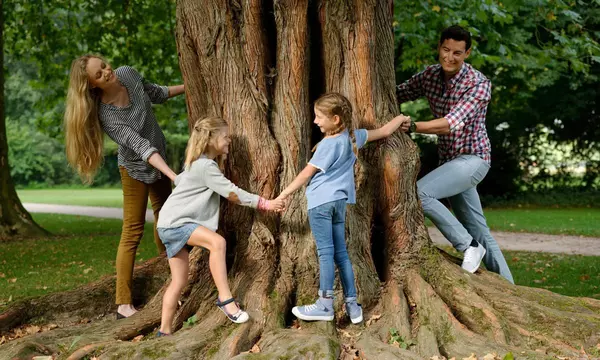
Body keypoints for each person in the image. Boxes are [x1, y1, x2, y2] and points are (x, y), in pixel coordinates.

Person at [64, 55, 186, 318]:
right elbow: (141, 146)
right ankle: (123, 304)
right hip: (134, 169)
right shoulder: (107, 115)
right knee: (132, 230)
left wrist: (188, 86)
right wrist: (173, 175)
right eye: (99, 74)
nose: (107, 72)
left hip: (159, 160)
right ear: (92, 85)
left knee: (167, 220)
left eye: (105, 66)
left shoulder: (128, 74)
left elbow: (156, 92)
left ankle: (174, 282)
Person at [276, 93, 410, 324]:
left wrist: (283, 194)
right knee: (341, 254)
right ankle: (352, 305)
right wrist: (401, 118)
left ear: (336, 119)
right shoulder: (352, 137)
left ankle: (324, 305)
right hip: (339, 204)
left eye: (319, 117)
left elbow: (306, 174)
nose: (316, 121)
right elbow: (385, 131)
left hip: (320, 203)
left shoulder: (328, 144)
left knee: (325, 254)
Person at [396, 25, 514, 283]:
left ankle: (467, 247)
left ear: (467, 53)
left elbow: (451, 123)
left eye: (457, 53)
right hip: (450, 163)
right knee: (481, 231)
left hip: (473, 160)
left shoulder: (479, 85)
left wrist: (413, 126)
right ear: (439, 47)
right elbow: (396, 93)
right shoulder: (429, 76)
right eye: (446, 50)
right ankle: (512, 290)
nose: (450, 57)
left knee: (419, 192)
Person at [155, 116, 284, 336]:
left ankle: (164, 331)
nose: (229, 140)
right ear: (210, 138)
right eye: (225, 136)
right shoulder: (205, 166)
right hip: (177, 223)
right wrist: (265, 203)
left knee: (179, 280)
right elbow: (232, 193)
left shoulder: (195, 164)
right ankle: (226, 300)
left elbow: (182, 184)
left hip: (166, 224)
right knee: (218, 243)